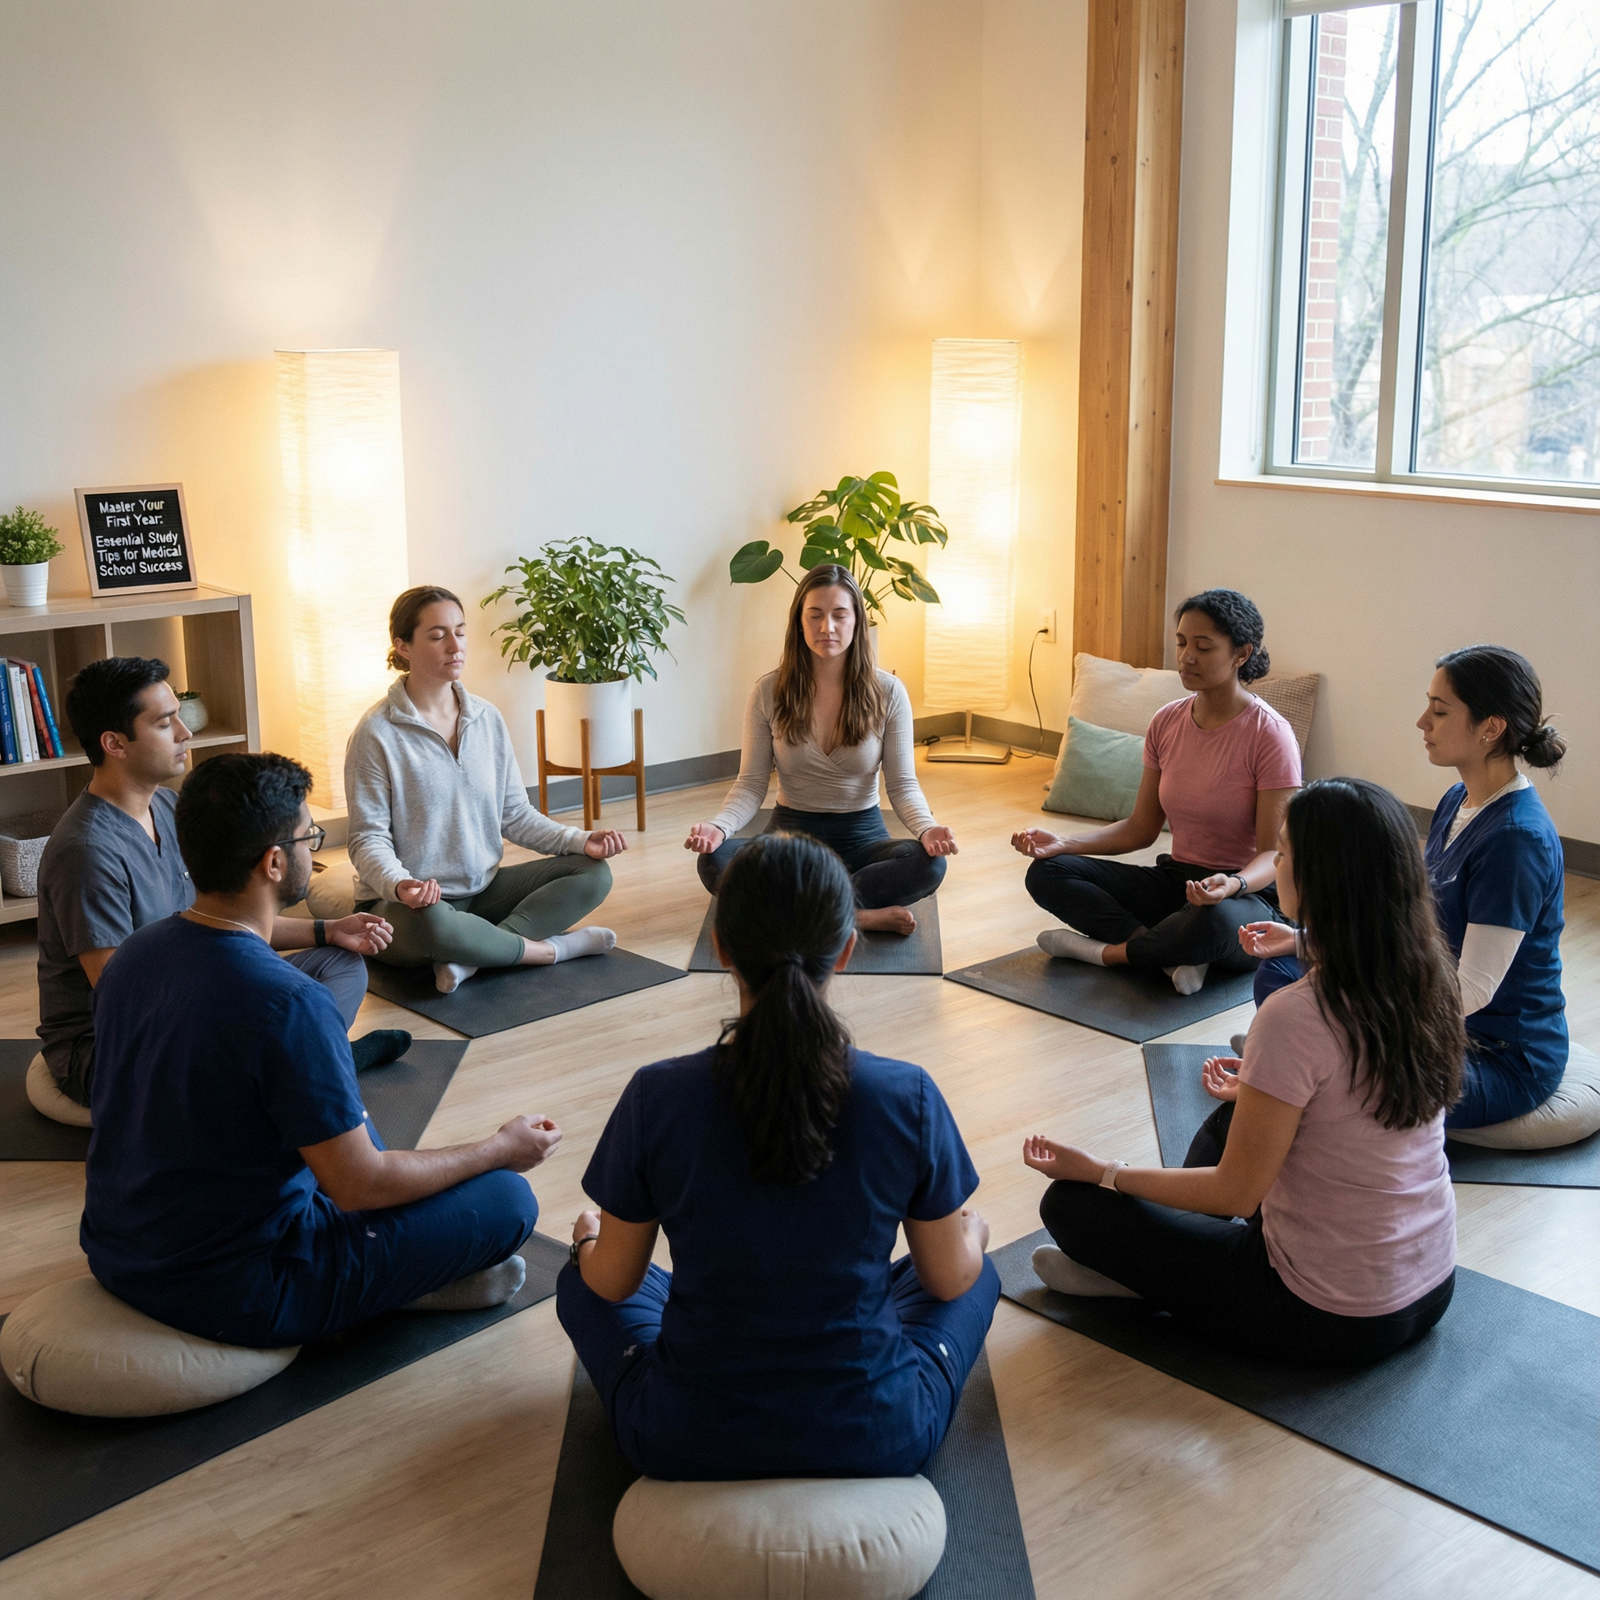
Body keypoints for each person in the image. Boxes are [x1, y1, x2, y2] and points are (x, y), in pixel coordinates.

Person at [80, 753, 562, 1347]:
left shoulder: (133, 954)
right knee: (508, 1198)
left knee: (344, 1139)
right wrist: (498, 1149)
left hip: (117, 1249)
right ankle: (399, 1288)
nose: (315, 848)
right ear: (274, 862)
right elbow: (359, 1187)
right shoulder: (289, 1001)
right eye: (310, 836)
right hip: (240, 1289)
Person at [557, 832, 998, 1479]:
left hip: (685, 1435)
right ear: (846, 950)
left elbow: (613, 1283)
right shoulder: (908, 1094)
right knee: (972, 1270)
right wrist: (975, 1234)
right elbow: (948, 1280)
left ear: (720, 947)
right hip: (877, 1435)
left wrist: (592, 1242)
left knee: (582, 1274)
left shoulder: (658, 1094)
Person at [1022, 778, 1461, 1368]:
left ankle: (1143, 1276)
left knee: (1071, 1206)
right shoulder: (1427, 974)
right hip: (1430, 1289)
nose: (1275, 865)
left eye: (1283, 854)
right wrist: (1301, 952)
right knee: (1234, 1115)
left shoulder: (1297, 1015)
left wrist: (1104, 1172)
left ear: (1317, 880)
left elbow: (1236, 1191)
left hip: (1323, 1315)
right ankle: (1168, 1252)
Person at [35, 656, 405, 1109]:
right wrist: (235, 989)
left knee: (341, 966)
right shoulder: (86, 850)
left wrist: (329, 930)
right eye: (166, 722)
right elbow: (124, 995)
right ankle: (321, 1065)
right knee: (279, 1006)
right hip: (114, 1048)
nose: (185, 733)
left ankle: (308, 1065)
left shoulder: (170, 809)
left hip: (193, 996)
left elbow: (227, 921)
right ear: (114, 743)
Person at [1244, 645, 1568, 1131]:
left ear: (1491, 728)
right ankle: (1294, 1067)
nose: (1422, 721)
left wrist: (1370, 1009)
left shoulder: (1516, 841)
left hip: (1494, 1055)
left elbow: (1472, 990)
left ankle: (1291, 1075)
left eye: (1439, 711)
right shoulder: (1458, 798)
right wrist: (1306, 942)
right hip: (1425, 1010)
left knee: (1322, 1050)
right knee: (1280, 972)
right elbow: (1411, 931)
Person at [1011, 588, 1301, 995]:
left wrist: (1231, 885)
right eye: (1181, 642)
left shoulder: (1270, 735)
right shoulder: (1167, 721)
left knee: (1213, 922)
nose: (1186, 656)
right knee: (1048, 872)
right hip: (1177, 883)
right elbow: (1141, 828)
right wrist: (1063, 843)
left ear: (1241, 654)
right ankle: (1171, 952)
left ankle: (1101, 953)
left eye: (1203, 646)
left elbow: (1274, 855)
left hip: (1243, 896)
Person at [346, 586, 626, 995]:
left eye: (460, 631)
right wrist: (400, 884)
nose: (455, 646)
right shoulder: (377, 733)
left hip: (484, 890)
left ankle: (472, 956)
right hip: (411, 907)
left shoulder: (487, 718)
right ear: (402, 646)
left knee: (593, 874)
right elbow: (366, 838)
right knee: (437, 924)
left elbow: (514, 814)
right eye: (437, 635)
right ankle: (551, 951)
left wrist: (581, 840)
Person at [685, 564, 956, 936]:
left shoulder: (889, 692)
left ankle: (797, 913)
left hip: (863, 837)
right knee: (715, 861)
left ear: (857, 621)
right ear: (799, 622)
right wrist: (719, 827)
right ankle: (855, 916)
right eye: (815, 615)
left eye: (839, 615)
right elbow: (750, 784)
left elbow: (902, 784)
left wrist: (927, 830)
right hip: (790, 837)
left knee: (929, 865)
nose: (827, 627)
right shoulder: (768, 692)